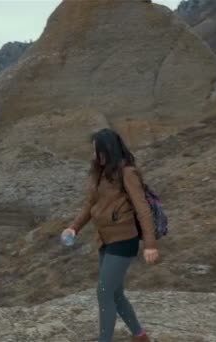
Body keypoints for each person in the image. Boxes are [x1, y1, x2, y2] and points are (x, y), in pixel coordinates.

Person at [61, 128, 158, 342]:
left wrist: (150, 244)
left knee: (104, 292)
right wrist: (73, 228)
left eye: (99, 151)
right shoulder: (98, 173)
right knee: (115, 293)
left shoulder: (127, 173)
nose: (95, 155)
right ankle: (140, 336)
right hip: (106, 240)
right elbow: (90, 205)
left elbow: (142, 209)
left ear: (110, 150)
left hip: (124, 241)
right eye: (95, 151)